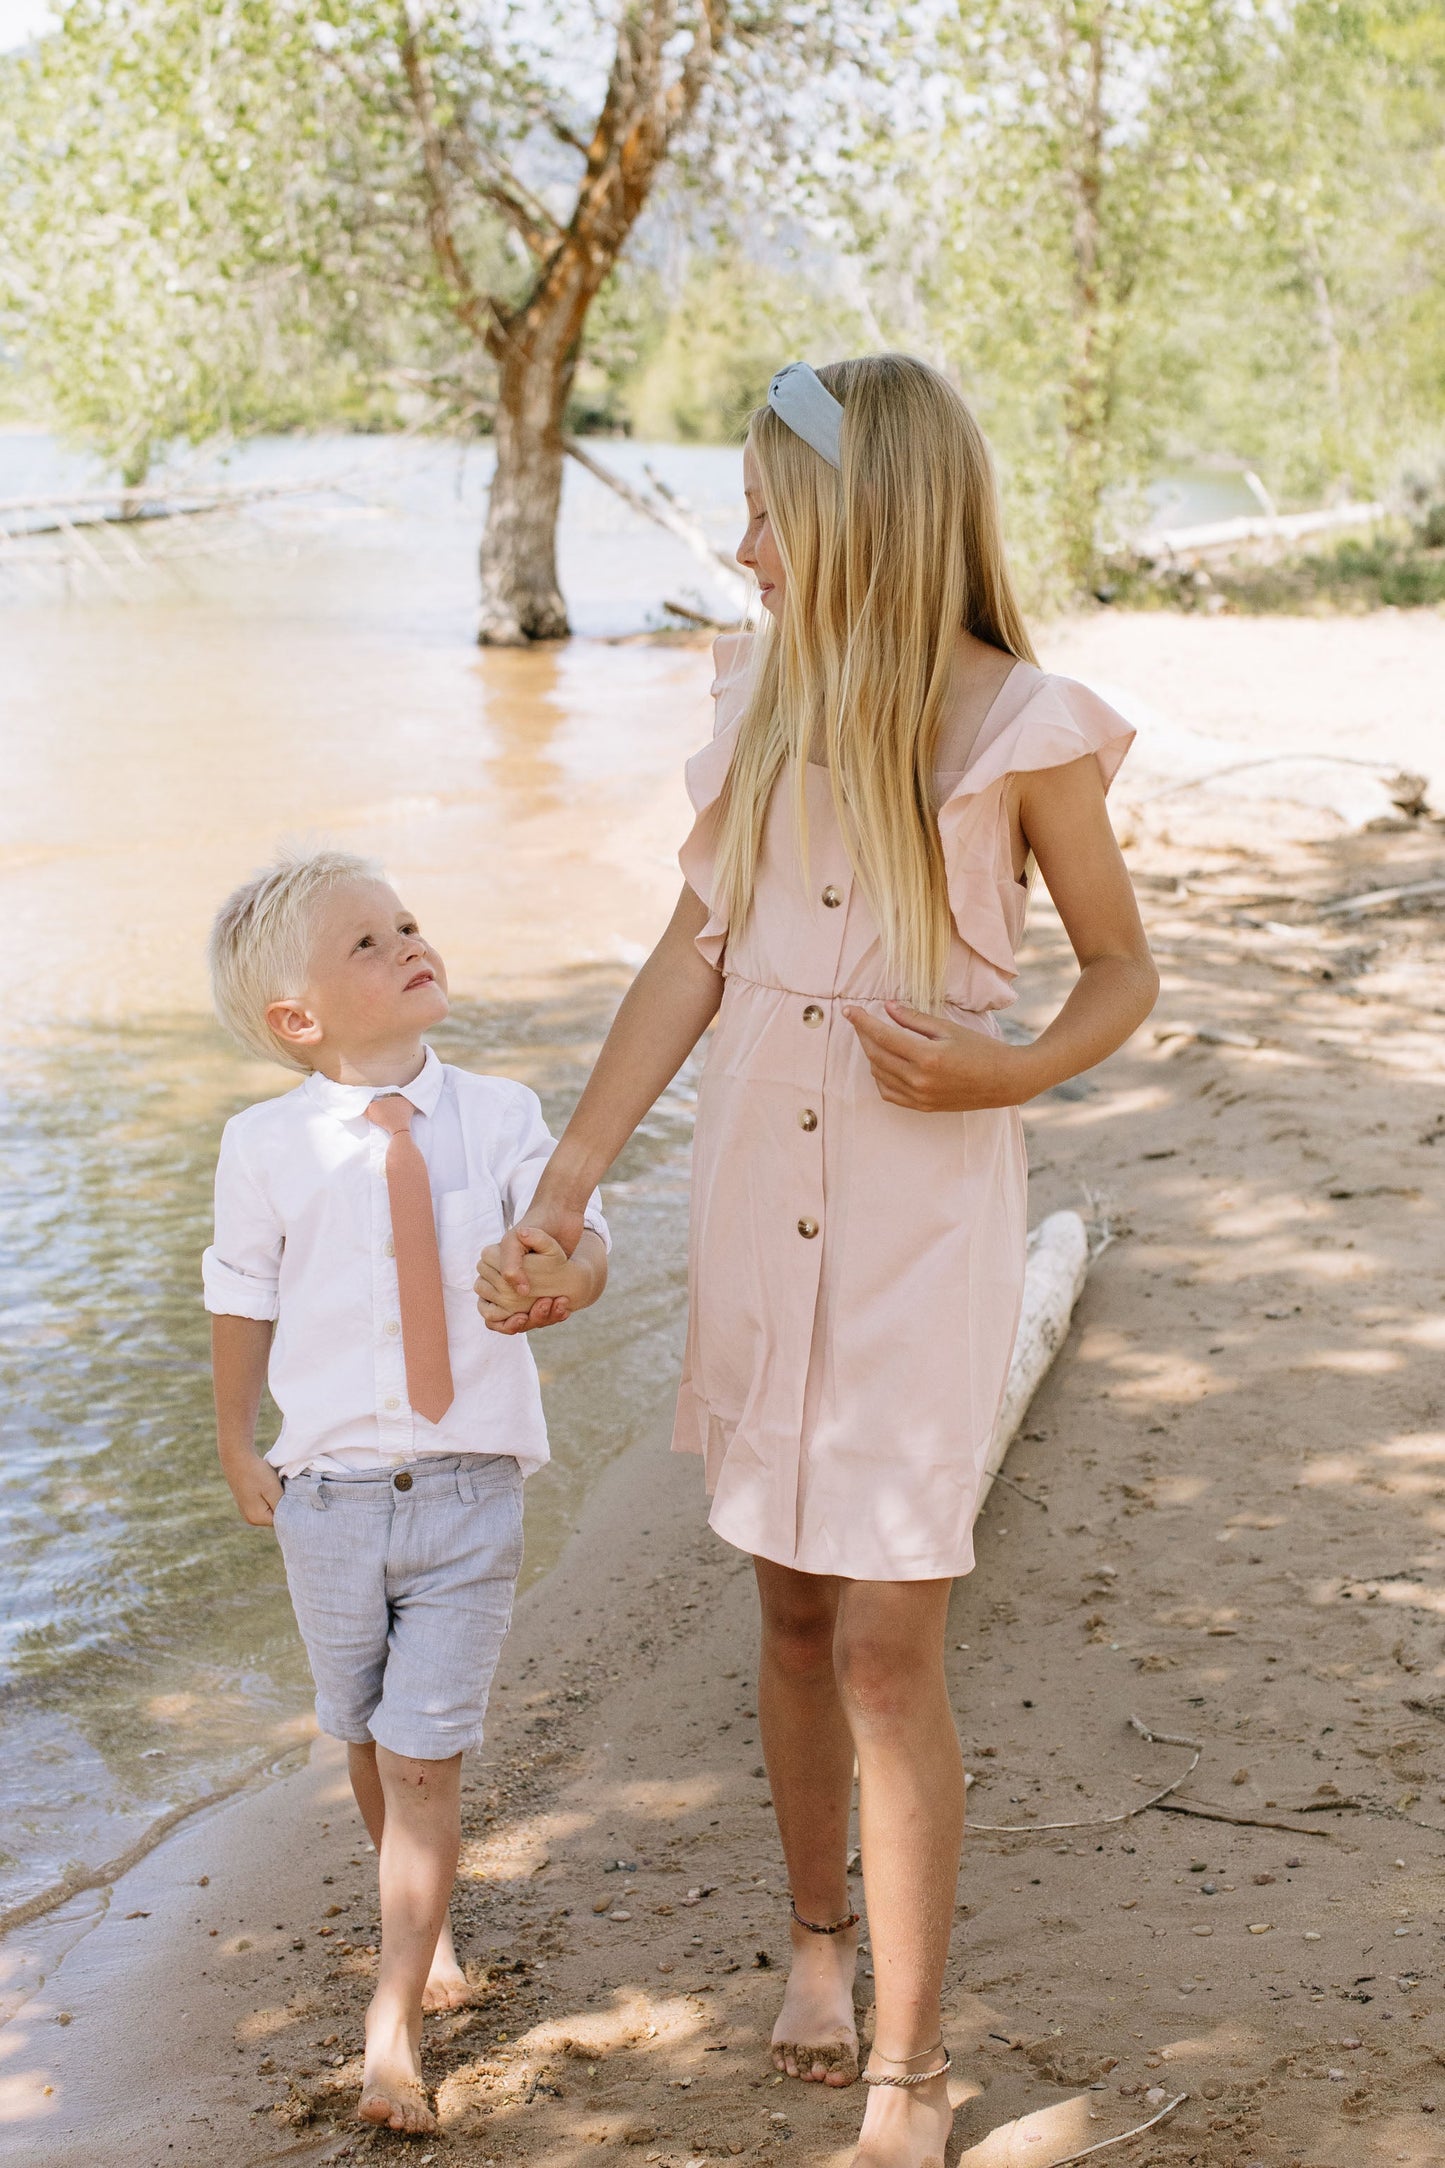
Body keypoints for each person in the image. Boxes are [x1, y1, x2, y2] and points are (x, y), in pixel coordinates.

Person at [475, 353, 1157, 2168]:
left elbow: (1120, 971)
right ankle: (815, 1938)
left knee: (883, 1640)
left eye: (771, 509)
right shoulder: (758, 696)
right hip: (753, 1199)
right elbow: (694, 954)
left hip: (923, 1216)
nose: (750, 546)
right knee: (782, 1603)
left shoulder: (1025, 728)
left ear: (866, 516)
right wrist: (574, 1179)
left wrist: (1011, 1066)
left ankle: (911, 2079)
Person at [203, 850, 608, 2136]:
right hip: (323, 1494)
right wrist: (232, 1438)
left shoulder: (495, 1112)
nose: (408, 945)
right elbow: (241, 1291)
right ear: (298, 1018)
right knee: (369, 1734)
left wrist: (568, 1276)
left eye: (409, 924)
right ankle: (421, 1926)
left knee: (425, 1755)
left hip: (468, 1483)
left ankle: (391, 2022)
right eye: (368, 943)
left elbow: (581, 1232)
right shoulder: (262, 1145)